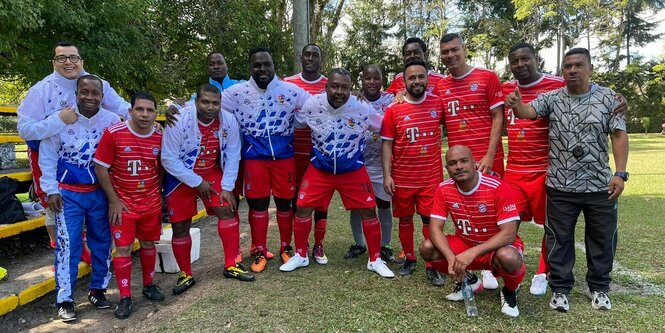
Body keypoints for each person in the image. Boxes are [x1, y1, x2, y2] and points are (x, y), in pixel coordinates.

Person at [506, 47, 629, 312]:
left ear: (590, 68)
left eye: (578, 65)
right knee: (558, 240)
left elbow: (618, 135)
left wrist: (620, 173)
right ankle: (560, 289)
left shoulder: (609, 98)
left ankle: (599, 288)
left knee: (602, 239)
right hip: (560, 186)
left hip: (600, 185)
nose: (573, 70)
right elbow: (528, 112)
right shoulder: (552, 97)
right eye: (568, 66)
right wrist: (517, 105)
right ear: (562, 70)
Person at [17, 41, 129, 260]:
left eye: (73, 57)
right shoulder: (41, 90)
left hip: (87, 155)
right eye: (62, 58)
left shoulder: (96, 83)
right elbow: (24, 129)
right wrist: (57, 120)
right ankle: (61, 249)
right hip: (48, 154)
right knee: (53, 204)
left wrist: (146, 118)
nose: (68, 62)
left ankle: (85, 247)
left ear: (81, 61)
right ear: (54, 62)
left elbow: (121, 106)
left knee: (92, 202)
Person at [280, 68, 394, 278]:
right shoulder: (313, 104)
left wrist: (402, 104)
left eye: (344, 87)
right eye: (335, 86)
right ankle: (301, 254)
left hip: (352, 169)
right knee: (303, 208)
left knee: (369, 211)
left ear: (352, 89)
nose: (339, 91)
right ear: (326, 87)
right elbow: (293, 119)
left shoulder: (361, 107)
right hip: (320, 169)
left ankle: (375, 259)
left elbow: (385, 123)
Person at [39, 75, 121, 322]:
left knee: (102, 242)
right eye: (84, 92)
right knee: (68, 246)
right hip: (67, 194)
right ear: (76, 93)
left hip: (99, 193)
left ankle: (98, 289)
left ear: (102, 96)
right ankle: (65, 298)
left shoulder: (111, 121)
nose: (89, 97)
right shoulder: (61, 118)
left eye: (95, 93)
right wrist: (50, 189)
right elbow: (48, 155)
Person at [222, 48, 309, 273]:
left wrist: (352, 99)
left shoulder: (290, 90)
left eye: (266, 64)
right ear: (250, 68)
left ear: (273, 65)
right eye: (257, 65)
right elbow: (207, 105)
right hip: (254, 159)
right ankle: (259, 249)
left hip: (284, 157)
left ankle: (285, 247)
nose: (262, 69)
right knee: (258, 205)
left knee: (284, 204)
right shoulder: (235, 93)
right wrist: (177, 110)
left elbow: (318, 103)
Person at [162, 84, 253, 296]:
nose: (210, 107)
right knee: (180, 226)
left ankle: (231, 264)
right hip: (180, 174)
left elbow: (233, 155)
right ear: (196, 102)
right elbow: (168, 158)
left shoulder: (228, 120)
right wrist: (197, 182)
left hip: (211, 172)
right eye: (205, 102)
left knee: (227, 209)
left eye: (215, 103)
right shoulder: (179, 119)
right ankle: (185, 273)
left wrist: (227, 187)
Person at [420, 145, 525, 317]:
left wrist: (472, 253)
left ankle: (509, 291)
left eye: (463, 161)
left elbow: (509, 233)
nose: (459, 166)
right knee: (427, 247)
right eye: (453, 163)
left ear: (474, 163)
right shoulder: (443, 189)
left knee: (509, 257)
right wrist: (451, 258)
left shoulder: (497, 187)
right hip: (465, 243)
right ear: (447, 169)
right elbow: (434, 228)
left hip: (494, 248)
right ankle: (470, 280)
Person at [436, 33, 506, 290]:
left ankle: (493, 267)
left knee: (491, 214)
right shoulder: (441, 86)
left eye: (455, 50)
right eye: (445, 52)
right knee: (464, 213)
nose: (450, 55)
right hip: (459, 165)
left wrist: (489, 154)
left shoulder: (487, 77)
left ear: (464, 49)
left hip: (487, 160)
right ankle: (473, 271)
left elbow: (498, 117)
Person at [502, 43, 566, 296]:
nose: (520, 65)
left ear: (535, 58)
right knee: (507, 222)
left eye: (525, 59)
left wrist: (617, 98)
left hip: (545, 169)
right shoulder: (506, 88)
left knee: (549, 225)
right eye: (514, 61)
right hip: (514, 170)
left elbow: (585, 92)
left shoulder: (556, 83)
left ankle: (542, 272)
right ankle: (505, 266)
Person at [94, 92, 165, 319]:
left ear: (155, 113)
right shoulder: (114, 134)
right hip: (124, 206)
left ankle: (149, 285)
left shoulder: (160, 136)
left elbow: (162, 167)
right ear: (130, 110)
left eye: (150, 110)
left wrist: (159, 194)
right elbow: (101, 168)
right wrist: (114, 201)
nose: (145, 114)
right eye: (140, 109)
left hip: (151, 203)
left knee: (148, 244)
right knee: (123, 249)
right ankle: (125, 296)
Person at [381, 60, 445, 286]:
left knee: (431, 221)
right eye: (412, 78)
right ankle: (409, 257)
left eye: (421, 76)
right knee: (405, 219)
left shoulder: (438, 103)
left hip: (430, 178)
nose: (417, 81)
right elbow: (387, 145)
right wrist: (387, 175)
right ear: (404, 81)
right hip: (403, 178)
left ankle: (432, 264)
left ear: (427, 78)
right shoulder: (394, 109)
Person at [283, 43, 330, 265]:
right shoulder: (288, 83)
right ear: (301, 57)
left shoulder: (330, 85)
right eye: (307, 54)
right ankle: (301, 245)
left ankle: (319, 244)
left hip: (320, 154)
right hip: (293, 154)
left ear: (322, 59)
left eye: (315, 55)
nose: (311, 58)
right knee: (297, 203)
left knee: (321, 204)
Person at [345, 65, 395, 261]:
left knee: (383, 204)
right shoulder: (354, 99)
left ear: (382, 80)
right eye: (368, 78)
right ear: (362, 81)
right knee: (359, 206)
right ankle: (359, 243)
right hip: (358, 163)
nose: (372, 82)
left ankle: (386, 245)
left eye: (376, 78)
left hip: (382, 164)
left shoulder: (391, 100)